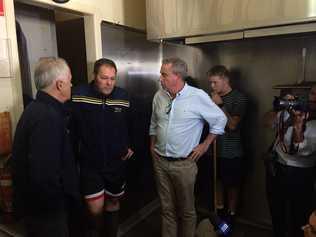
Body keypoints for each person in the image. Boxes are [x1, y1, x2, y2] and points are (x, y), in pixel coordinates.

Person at [149, 57, 227, 237]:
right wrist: (152, 146)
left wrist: (205, 145)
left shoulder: (197, 96)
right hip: (160, 161)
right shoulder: (159, 95)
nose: (160, 78)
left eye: (164, 74)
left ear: (177, 76)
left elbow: (220, 120)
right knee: (166, 209)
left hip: (184, 164)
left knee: (186, 211)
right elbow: (154, 123)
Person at [12, 57, 79, 237]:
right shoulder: (47, 118)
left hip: (38, 210)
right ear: (59, 84)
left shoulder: (35, 109)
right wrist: (60, 206)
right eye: (69, 80)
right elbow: (44, 175)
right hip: (47, 214)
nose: (71, 85)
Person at [71, 58, 134, 237]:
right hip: (90, 164)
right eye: (104, 78)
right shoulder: (78, 94)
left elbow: (133, 124)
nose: (109, 83)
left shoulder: (123, 96)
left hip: (116, 164)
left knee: (113, 203)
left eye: (112, 79)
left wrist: (131, 146)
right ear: (94, 76)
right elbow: (72, 127)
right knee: (95, 208)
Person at [265, 87, 316, 237]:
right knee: (276, 210)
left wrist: (298, 125)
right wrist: (278, 107)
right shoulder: (292, 110)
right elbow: (267, 123)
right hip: (276, 168)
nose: (313, 98)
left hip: (301, 174)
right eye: (312, 93)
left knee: (299, 215)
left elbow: (301, 150)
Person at [207, 65, 247, 222]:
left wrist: (220, 105)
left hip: (232, 152)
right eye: (210, 83)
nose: (212, 86)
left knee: (232, 186)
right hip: (214, 150)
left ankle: (230, 217)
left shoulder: (239, 98)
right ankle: (220, 215)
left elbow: (232, 126)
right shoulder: (210, 98)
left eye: (215, 82)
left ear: (225, 80)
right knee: (217, 183)